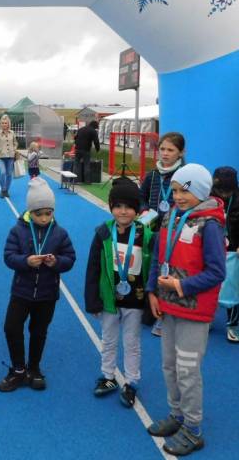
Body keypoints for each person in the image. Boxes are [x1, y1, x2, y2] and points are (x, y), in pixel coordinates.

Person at [146, 164, 226, 456]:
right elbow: (157, 257)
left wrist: (181, 286)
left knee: (187, 370)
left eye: (185, 191)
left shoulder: (211, 225)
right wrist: (153, 291)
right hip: (168, 307)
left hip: (194, 312)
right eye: (175, 190)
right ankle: (177, 414)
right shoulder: (171, 216)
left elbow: (217, 272)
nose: (178, 196)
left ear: (201, 192)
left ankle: (193, 428)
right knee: (169, 365)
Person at [0, 178, 75, 392]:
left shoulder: (60, 233)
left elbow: (70, 258)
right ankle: (18, 369)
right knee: (11, 327)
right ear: (30, 211)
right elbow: (8, 256)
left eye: (48, 213)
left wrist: (56, 262)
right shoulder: (18, 231)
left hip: (47, 294)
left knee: (39, 331)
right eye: (39, 214)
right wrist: (25, 261)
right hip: (21, 291)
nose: (44, 218)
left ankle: (34, 368)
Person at [85, 177, 153, 407]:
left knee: (132, 342)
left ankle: (132, 381)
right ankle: (108, 376)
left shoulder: (145, 234)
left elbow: (152, 267)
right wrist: (92, 300)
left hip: (135, 300)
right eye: (118, 206)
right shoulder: (103, 232)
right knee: (108, 340)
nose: (123, 211)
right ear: (111, 207)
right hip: (109, 299)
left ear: (137, 209)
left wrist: (151, 300)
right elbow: (93, 267)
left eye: (129, 207)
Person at [140, 132, 186, 335]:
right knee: (151, 269)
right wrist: (144, 210)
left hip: (174, 232)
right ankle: (151, 309)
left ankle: (166, 316)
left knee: (169, 272)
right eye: (162, 149)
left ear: (181, 153)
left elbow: (190, 201)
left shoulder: (185, 176)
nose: (165, 154)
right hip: (152, 230)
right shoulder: (152, 175)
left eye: (171, 150)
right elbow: (141, 197)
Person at [210, 166, 239, 342]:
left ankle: (233, 325)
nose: (224, 194)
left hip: (233, 247)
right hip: (212, 246)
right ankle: (207, 317)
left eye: (227, 191)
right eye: (221, 190)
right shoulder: (208, 197)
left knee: (232, 288)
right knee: (208, 284)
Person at [0, 114, 18, 198]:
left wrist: (14, 149)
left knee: (9, 174)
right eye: (2, 123)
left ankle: (6, 190)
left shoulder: (12, 133)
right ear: (0, 124)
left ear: (8, 124)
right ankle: (2, 189)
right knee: (3, 172)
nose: (4, 124)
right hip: (0, 157)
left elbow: (15, 143)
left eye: (5, 123)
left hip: (10, 157)